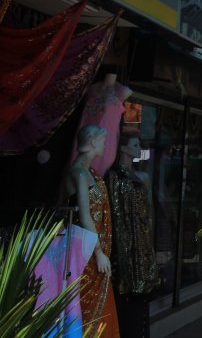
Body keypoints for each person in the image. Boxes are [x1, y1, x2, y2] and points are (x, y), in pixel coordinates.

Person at [63, 125, 120, 337]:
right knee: (86, 304)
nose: (105, 145)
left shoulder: (90, 172)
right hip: (86, 252)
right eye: (103, 141)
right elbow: (85, 215)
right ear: (93, 142)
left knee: (100, 303)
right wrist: (98, 252)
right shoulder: (78, 172)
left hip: (97, 248)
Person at [107, 132, 158, 337]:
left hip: (141, 237)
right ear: (123, 148)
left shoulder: (139, 175)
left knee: (141, 298)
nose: (138, 149)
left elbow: (147, 208)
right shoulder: (115, 176)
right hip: (126, 241)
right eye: (134, 145)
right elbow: (116, 213)